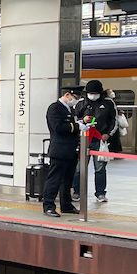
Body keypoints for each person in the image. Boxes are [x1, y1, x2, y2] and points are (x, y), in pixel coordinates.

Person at [71, 79, 115, 204]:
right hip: (83, 140)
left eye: (95, 93)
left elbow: (114, 120)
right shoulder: (81, 103)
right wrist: (83, 120)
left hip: (100, 140)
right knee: (79, 168)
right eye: (90, 93)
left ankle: (100, 193)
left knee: (100, 168)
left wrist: (108, 134)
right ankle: (77, 191)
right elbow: (74, 119)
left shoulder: (108, 103)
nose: (92, 95)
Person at [43, 86, 84, 217]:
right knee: (54, 179)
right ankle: (48, 206)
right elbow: (58, 127)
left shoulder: (69, 109)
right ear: (68, 95)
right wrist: (78, 126)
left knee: (67, 180)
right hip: (60, 150)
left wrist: (82, 123)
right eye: (75, 98)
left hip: (71, 150)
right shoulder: (54, 108)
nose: (76, 101)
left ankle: (66, 205)